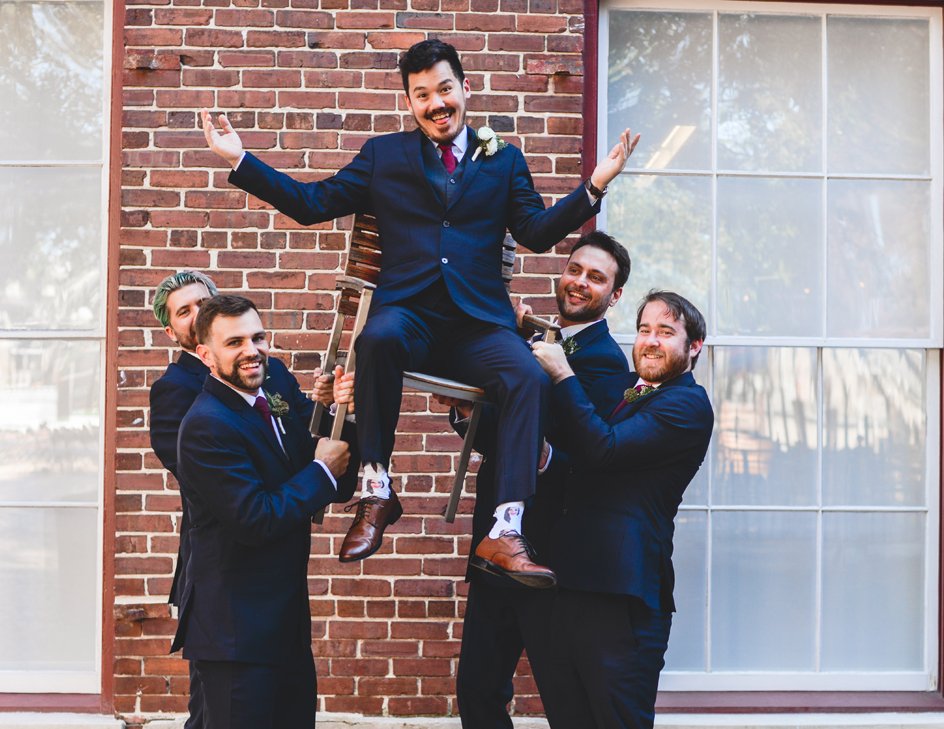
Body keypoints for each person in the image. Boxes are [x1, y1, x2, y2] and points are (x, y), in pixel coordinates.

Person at [201, 38, 639, 571]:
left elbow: (537, 233)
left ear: (465, 89)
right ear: (409, 103)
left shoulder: (502, 160)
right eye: (422, 94)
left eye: (445, 89)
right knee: (377, 338)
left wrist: (594, 185)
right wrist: (240, 160)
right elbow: (314, 204)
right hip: (408, 317)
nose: (436, 103)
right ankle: (376, 489)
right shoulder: (383, 156)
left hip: (479, 328)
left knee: (527, 374)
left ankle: (506, 529)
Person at [452, 231, 633, 729]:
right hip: (494, 550)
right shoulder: (530, 341)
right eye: (575, 269)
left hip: (550, 557)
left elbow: (587, 452)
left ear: (615, 295)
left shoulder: (604, 363)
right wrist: (465, 414)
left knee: (565, 696)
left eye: (595, 277)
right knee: (477, 687)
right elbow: (504, 440)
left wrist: (541, 448)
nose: (579, 282)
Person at [172, 294, 359, 729]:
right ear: (206, 355)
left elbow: (330, 474)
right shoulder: (207, 425)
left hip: (284, 625)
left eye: (257, 337)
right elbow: (256, 518)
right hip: (234, 633)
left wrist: (343, 417)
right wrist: (321, 470)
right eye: (234, 343)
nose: (252, 350)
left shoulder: (269, 393)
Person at [530, 290, 714, 729]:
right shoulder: (628, 397)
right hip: (570, 585)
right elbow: (584, 467)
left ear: (693, 346)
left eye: (666, 331)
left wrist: (563, 375)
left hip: (623, 598)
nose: (650, 340)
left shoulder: (686, 405)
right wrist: (541, 453)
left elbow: (603, 450)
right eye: (646, 329)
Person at [147, 269, 217, 729]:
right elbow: (196, 473)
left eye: (202, 303)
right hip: (210, 565)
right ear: (172, 333)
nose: (196, 314)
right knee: (211, 710)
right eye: (183, 311)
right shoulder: (173, 390)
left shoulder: (260, 371)